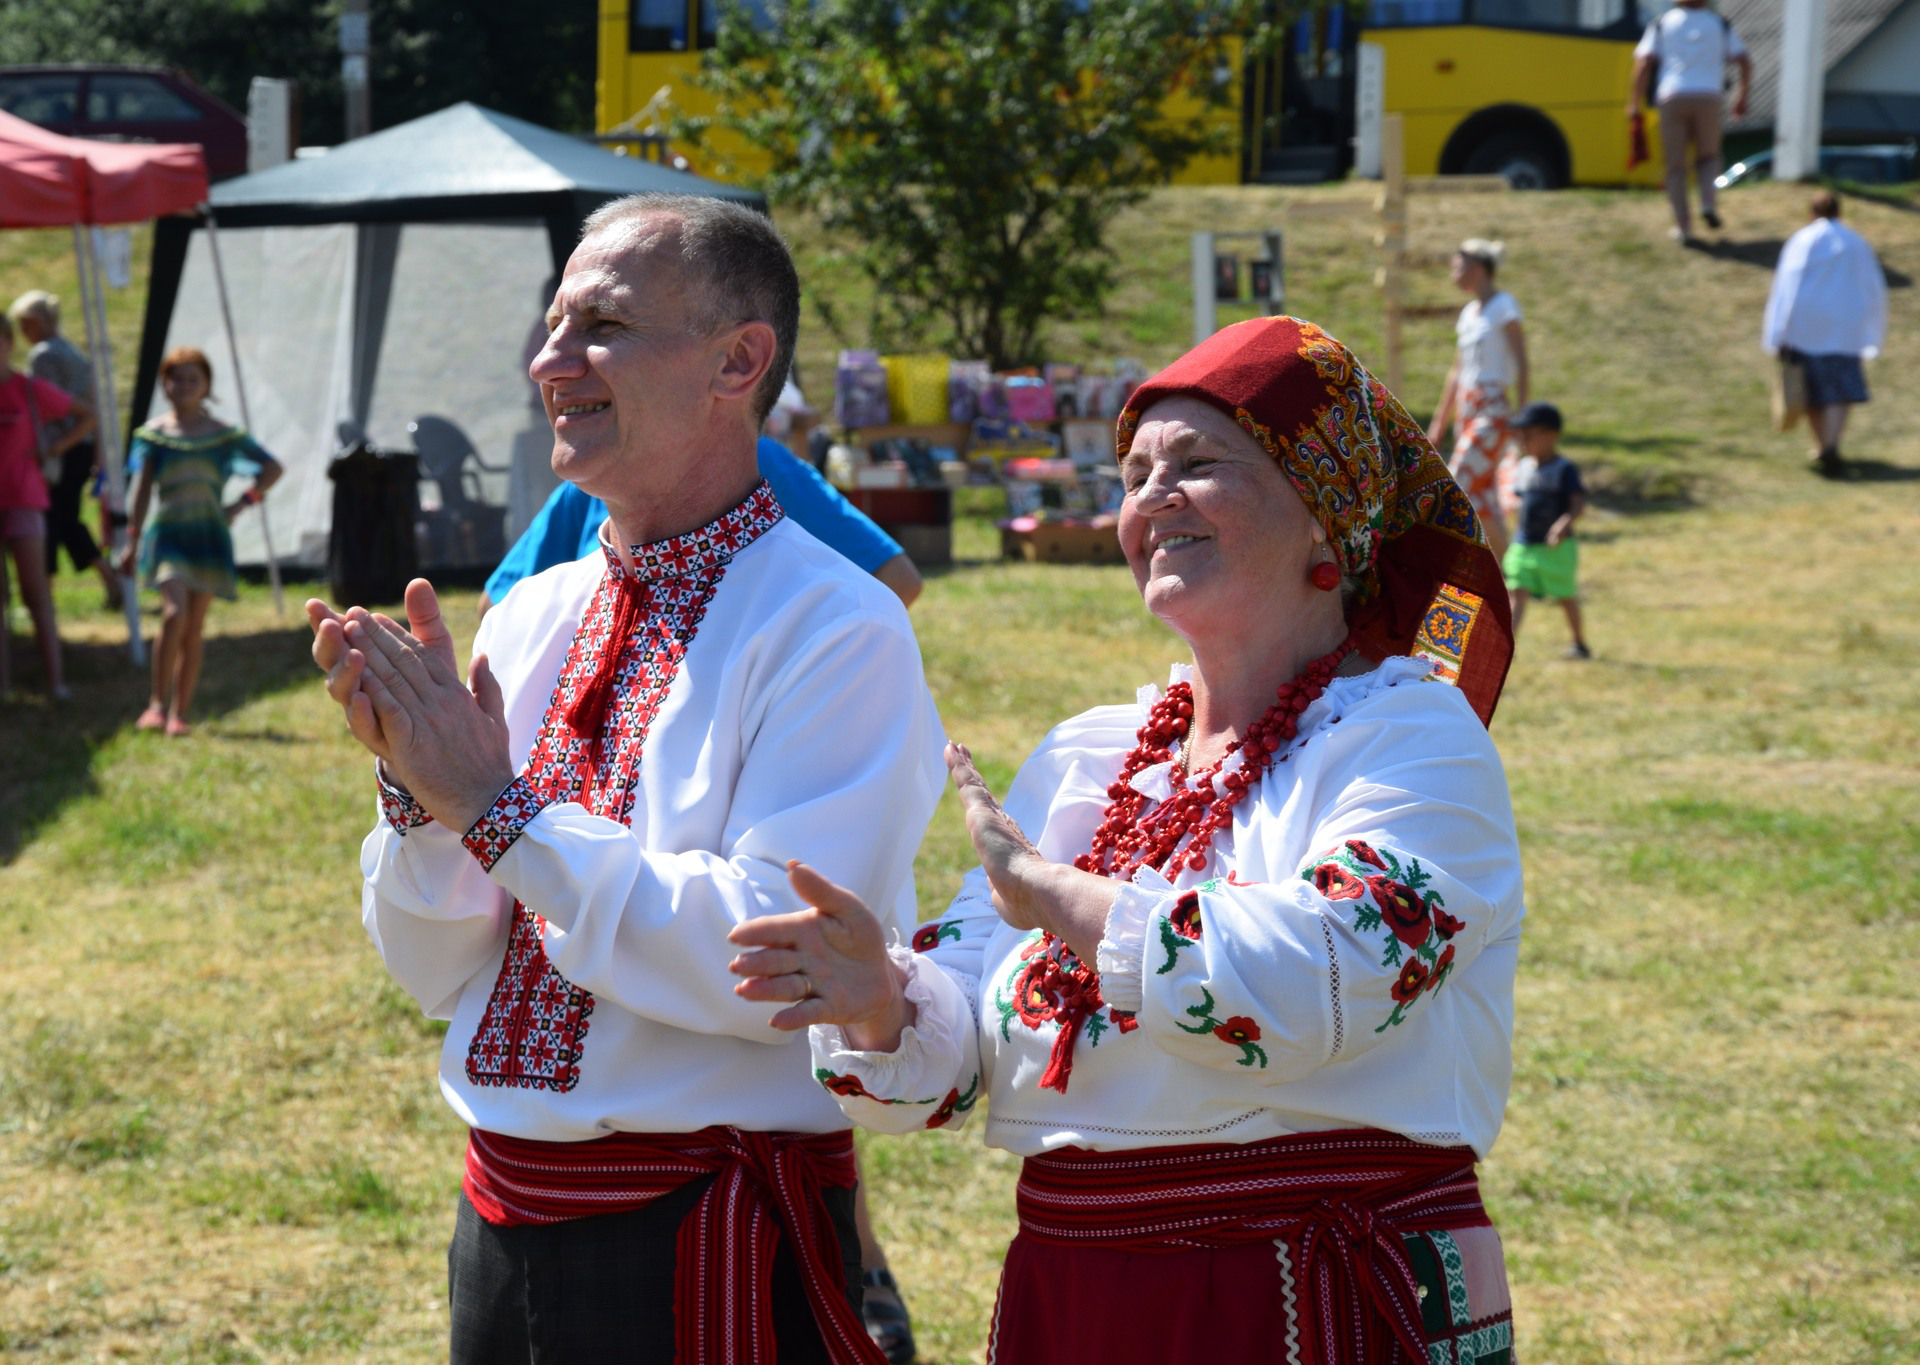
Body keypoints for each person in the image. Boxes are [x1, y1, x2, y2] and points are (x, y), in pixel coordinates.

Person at [729, 315, 1524, 1364]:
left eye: (1197, 466)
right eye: (1133, 475)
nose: (1150, 500)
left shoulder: (1407, 735)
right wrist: (879, 999)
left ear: (1327, 521)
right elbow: (961, 1044)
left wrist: (1058, 897)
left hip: (1307, 1285)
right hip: (1078, 1289)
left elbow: (1324, 973)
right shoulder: (1086, 758)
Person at [305, 193, 944, 1364]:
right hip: (498, 1216)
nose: (550, 360)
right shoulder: (531, 613)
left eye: (600, 324)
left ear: (736, 360)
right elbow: (439, 967)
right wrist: (423, 805)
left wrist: (497, 812)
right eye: (552, 324)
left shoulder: (833, 625)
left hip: (701, 1231)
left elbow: (771, 959)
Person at [480, 435, 923, 619]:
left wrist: (775, 645)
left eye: (611, 328)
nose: (552, 364)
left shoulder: (758, 461)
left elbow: (895, 580)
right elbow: (495, 608)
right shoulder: (595, 480)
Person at [123, 347, 282, 737]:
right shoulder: (154, 435)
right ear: (165, 384)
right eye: (176, 378)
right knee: (174, 613)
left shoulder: (223, 435)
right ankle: (156, 703)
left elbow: (272, 467)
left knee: (193, 627)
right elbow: (142, 491)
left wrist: (241, 504)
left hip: (209, 535)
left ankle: (180, 713)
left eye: (193, 379)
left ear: (207, 385)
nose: (184, 386)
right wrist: (131, 539)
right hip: (169, 535)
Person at [0, 312, 96, 701]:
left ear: (9, 345)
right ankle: (1, 682)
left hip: (23, 498)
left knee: (35, 590)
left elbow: (85, 415)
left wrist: (53, 448)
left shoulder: (30, 390)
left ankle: (55, 680)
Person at [10, 290, 124, 610]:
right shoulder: (72, 351)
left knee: (53, 519)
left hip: (61, 448)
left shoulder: (44, 356)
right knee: (62, 518)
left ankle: (52, 591)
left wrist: (54, 446)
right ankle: (101, 577)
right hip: (81, 447)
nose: (22, 333)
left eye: (25, 324)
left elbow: (48, 405)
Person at [1763, 190, 1887, 480]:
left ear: (1812, 212)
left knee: (1814, 393)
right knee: (1840, 391)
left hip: (1807, 326)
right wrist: (1871, 325)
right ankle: (1830, 444)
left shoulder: (1802, 240)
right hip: (1846, 326)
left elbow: (1788, 285)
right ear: (1839, 212)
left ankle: (1823, 445)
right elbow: (1873, 287)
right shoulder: (1856, 243)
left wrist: (1779, 330)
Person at [1428, 238, 1526, 560]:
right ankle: (1510, 573)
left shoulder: (1504, 307)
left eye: (1459, 264)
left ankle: (1447, 567)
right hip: (1467, 410)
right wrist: (1439, 422)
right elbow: (1457, 372)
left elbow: (1522, 362)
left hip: (1493, 411)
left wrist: (1522, 416)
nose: (1454, 271)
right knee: (1482, 498)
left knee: (1458, 485)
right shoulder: (1469, 313)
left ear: (1479, 266)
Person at [1630, 0, 1750, 244]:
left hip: (1672, 97)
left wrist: (1633, 102)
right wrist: (1741, 96)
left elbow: (1644, 62)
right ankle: (1707, 202)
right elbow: (1744, 60)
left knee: (1675, 166)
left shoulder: (1663, 23)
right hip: (1709, 96)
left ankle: (1683, 225)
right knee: (1709, 156)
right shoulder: (1719, 23)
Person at [1502, 402, 1589, 659]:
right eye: (1519, 436)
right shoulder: (1523, 467)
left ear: (1551, 435)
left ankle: (1579, 643)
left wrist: (1562, 525)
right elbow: (1521, 501)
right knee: (1517, 589)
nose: (1522, 441)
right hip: (1524, 544)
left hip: (1556, 548)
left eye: (1528, 435)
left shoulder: (1564, 469)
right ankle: (1507, 646)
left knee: (1565, 595)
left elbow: (1578, 503)